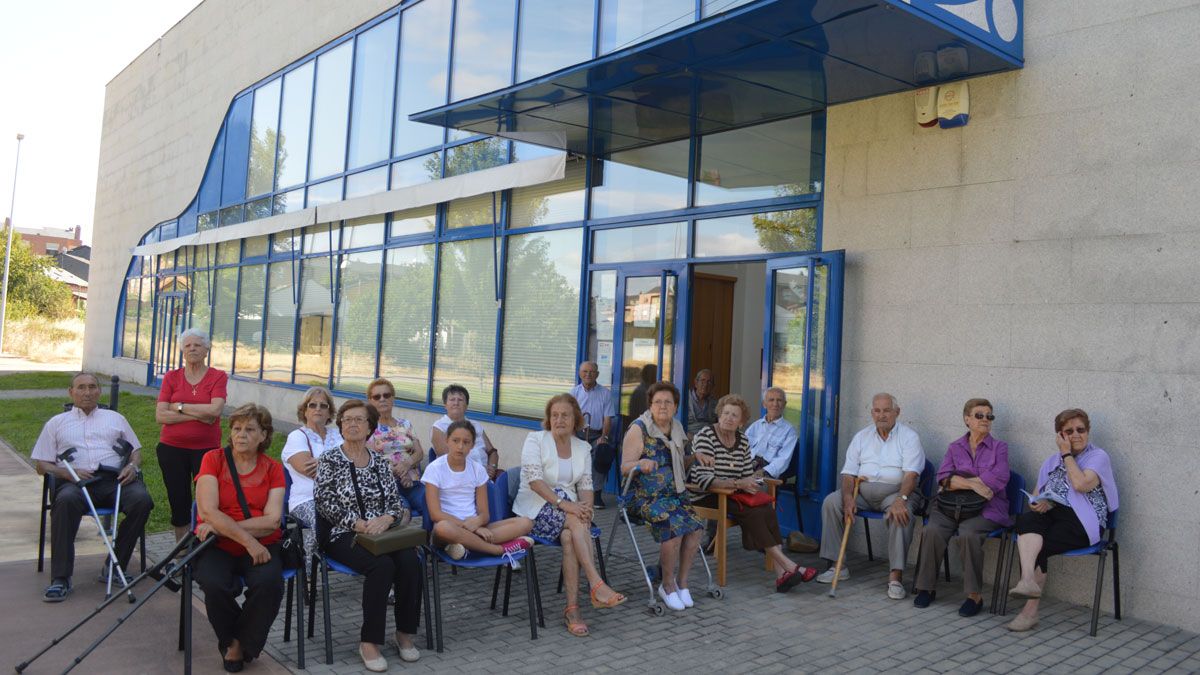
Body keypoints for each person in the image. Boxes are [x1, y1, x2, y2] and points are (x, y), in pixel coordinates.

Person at [315, 400, 422, 671]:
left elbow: (395, 504)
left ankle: (404, 634)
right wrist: (359, 524)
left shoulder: (379, 462)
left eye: (359, 420)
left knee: (410, 560)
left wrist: (387, 519)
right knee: (381, 566)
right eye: (347, 419)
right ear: (340, 426)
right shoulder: (330, 459)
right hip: (342, 533)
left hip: (382, 533)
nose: (352, 424)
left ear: (370, 427)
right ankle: (369, 642)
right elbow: (324, 503)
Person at [32, 372, 153, 602]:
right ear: (71, 392)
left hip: (113, 479)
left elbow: (136, 451)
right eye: (81, 387)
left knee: (142, 500)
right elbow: (41, 465)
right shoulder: (57, 423)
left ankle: (115, 566)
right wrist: (66, 472)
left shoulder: (115, 418)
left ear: (99, 391)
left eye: (92, 387)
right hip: (75, 482)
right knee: (65, 502)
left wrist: (132, 467)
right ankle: (61, 579)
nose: (87, 392)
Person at [513, 394, 626, 637]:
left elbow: (586, 486)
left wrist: (585, 508)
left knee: (570, 537)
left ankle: (573, 609)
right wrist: (570, 507)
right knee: (575, 522)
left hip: (568, 511)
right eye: (554, 415)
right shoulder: (535, 440)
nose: (559, 419)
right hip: (535, 508)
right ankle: (596, 583)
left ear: (575, 419)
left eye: (565, 415)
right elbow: (535, 482)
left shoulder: (583, 447)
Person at [687, 394, 818, 593]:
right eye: (726, 413)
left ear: (741, 421)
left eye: (735, 415)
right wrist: (739, 483)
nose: (729, 418)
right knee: (753, 512)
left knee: (766, 508)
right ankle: (790, 566)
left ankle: (781, 575)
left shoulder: (742, 440)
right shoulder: (706, 435)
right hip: (709, 495)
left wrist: (750, 484)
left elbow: (746, 472)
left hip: (733, 493)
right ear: (719, 414)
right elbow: (704, 479)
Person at [1005, 408, 1119, 632]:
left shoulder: (1098, 456)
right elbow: (1036, 495)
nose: (1076, 435)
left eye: (1081, 430)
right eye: (1069, 431)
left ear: (1088, 432)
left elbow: (1081, 485)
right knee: (1027, 522)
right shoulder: (1050, 462)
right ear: (1060, 435)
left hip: (1085, 523)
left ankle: (1029, 611)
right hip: (1054, 515)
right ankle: (1027, 579)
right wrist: (1040, 502)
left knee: (1035, 545)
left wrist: (1066, 455)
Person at [193, 404, 285, 672]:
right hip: (218, 545)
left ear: (263, 435)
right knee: (213, 583)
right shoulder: (213, 459)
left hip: (260, 542)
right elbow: (207, 510)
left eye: (250, 429)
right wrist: (249, 540)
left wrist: (223, 526)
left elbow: (272, 520)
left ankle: (242, 641)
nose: (241, 434)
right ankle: (232, 642)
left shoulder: (273, 468)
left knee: (269, 584)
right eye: (236, 428)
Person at [817, 392, 925, 599]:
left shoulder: (909, 437)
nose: (881, 415)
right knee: (832, 502)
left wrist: (901, 500)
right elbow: (848, 473)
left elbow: (911, 475)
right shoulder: (862, 436)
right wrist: (848, 498)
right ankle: (837, 565)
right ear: (872, 413)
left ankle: (895, 577)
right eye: (877, 410)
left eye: (887, 410)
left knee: (901, 513)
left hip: (896, 491)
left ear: (897, 412)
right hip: (863, 491)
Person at [913, 398, 1010, 616]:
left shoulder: (1000, 448)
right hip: (950, 505)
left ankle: (974, 596)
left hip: (988, 507)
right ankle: (926, 588)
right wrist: (973, 483)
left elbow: (999, 479)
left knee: (969, 533)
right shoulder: (955, 447)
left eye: (989, 416)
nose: (985, 419)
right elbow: (943, 479)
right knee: (932, 530)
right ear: (967, 419)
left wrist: (959, 481)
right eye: (979, 415)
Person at [620, 381, 706, 612]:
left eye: (668, 402)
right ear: (650, 405)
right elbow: (624, 467)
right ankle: (666, 586)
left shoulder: (676, 428)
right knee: (673, 528)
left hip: (673, 496)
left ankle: (682, 582)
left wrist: (695, 457)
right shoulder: (639, 429)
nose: (663, 406)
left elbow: (679, 463)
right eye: (657, 402)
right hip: (641, 498)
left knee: (696, 527)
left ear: (676, 406)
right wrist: (640, 463)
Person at [424, 420, 534, 562]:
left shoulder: (477, 469)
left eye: (466, 442)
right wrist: (473, 529)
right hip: (448, 528)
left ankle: (465, 545)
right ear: (447, 441)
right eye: (455, 440)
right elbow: (435, 514)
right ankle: (498, 549)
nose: (460, 446)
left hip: (476, 525)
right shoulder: (435, 469)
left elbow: (484, 514)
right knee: (443, 528)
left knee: (526, 523)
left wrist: (477, 523)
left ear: (473, 445)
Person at [155, 328, 228, 541]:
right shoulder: (172, 377)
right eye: (187, 345)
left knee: (208, 499)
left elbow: (215, 411)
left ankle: (203, 546)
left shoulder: (217, 377)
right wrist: (199, 415)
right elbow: (161, 415)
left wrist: (178, 406)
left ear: (207, 349)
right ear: (182, 351)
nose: (192, 348)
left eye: (197, 345)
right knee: (178, 499)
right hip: (171, 449)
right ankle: (182, 550)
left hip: (206, 450)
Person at [279, 386, 342, 560]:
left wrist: (321, 460)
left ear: (330, 412)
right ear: (304, 411)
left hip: (342, 498)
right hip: (306, 499)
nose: (318, 409)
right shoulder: (297, 436)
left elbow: (357, 464)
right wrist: (340, 462)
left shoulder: (338, 435)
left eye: (324, 406)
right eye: (312, 405)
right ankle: (308, 568)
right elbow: (308, 470)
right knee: (323, 521)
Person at [366, 377, 426, 515]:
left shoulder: (405, 424)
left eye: (386, 395)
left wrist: (406, 465)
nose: (382, 399)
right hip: (386, 485)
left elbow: (419, 453)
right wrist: (397, 472)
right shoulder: (368, 427)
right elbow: (370, 459)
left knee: (433, 507)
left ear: (393, 398)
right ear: (370, 401)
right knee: (402, 513)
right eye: (377, 396)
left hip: (412, 482)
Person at [569, 361, 616, 509]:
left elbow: (608, 418)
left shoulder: (605, 393)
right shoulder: (573, 393)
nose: (588, 374)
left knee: (601, 454)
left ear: (597, 374)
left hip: (597, 434)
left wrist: (604, 436)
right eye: (585, 372)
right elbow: (569, 417)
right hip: (578, 433)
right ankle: (571, 493)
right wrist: (572, 436)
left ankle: (596, 494)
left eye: (591, 372)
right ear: (579, 373)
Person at [430, 384, 499, 479]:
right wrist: (480, 471)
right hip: (460, 477)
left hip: (485, 475)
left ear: (466, 406)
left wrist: (492, 467)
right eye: (452, 399)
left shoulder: (476, 425)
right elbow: (451, 459)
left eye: (460, 400)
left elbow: (492, 452)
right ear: (445, 405)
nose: (456, 403)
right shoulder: (439, 427)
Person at [746, 387, 799, 480]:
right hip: (748, 466)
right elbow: (743, 449)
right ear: (764, 404)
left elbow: (783, 460)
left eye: (779, 400)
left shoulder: (789, 431)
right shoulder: (755, 426)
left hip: (767, 472)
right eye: (771, 400)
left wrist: (764, 471)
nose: (775, 404)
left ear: (784, 404)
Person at [686, 369, 718, 436]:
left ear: (713, 386)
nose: (705, 385)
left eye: (709, 382)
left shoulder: (715, 403)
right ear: (696, 382)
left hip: (709, 439)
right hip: (688, 438)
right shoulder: (684, 399)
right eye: (702, 381)